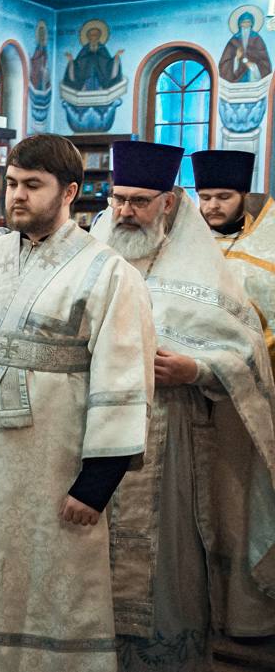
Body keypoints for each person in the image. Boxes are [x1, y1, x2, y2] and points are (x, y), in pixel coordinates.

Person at [0, 133, 156, 672]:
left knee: (52, 583)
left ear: (69, 191)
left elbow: (122, 379)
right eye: (11, 183)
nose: (17, 196)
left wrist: (96, 484)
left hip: (57, 463)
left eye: (33, 185)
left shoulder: (108, 273)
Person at [90, 140, 275, 670]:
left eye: (139, 201)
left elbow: (246, 352)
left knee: (165, 556)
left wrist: (195, 369)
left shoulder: (201, 263)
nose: (124, 211)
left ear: (168, 202)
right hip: (91, 430)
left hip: (169, 437)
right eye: (118, 199)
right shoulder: (93, 250)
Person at [192, 149, 275, 367]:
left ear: (244, 196)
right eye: (205, 198)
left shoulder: (268, 242)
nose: (212, 206)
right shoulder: (183, 240)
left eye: (224, 197)